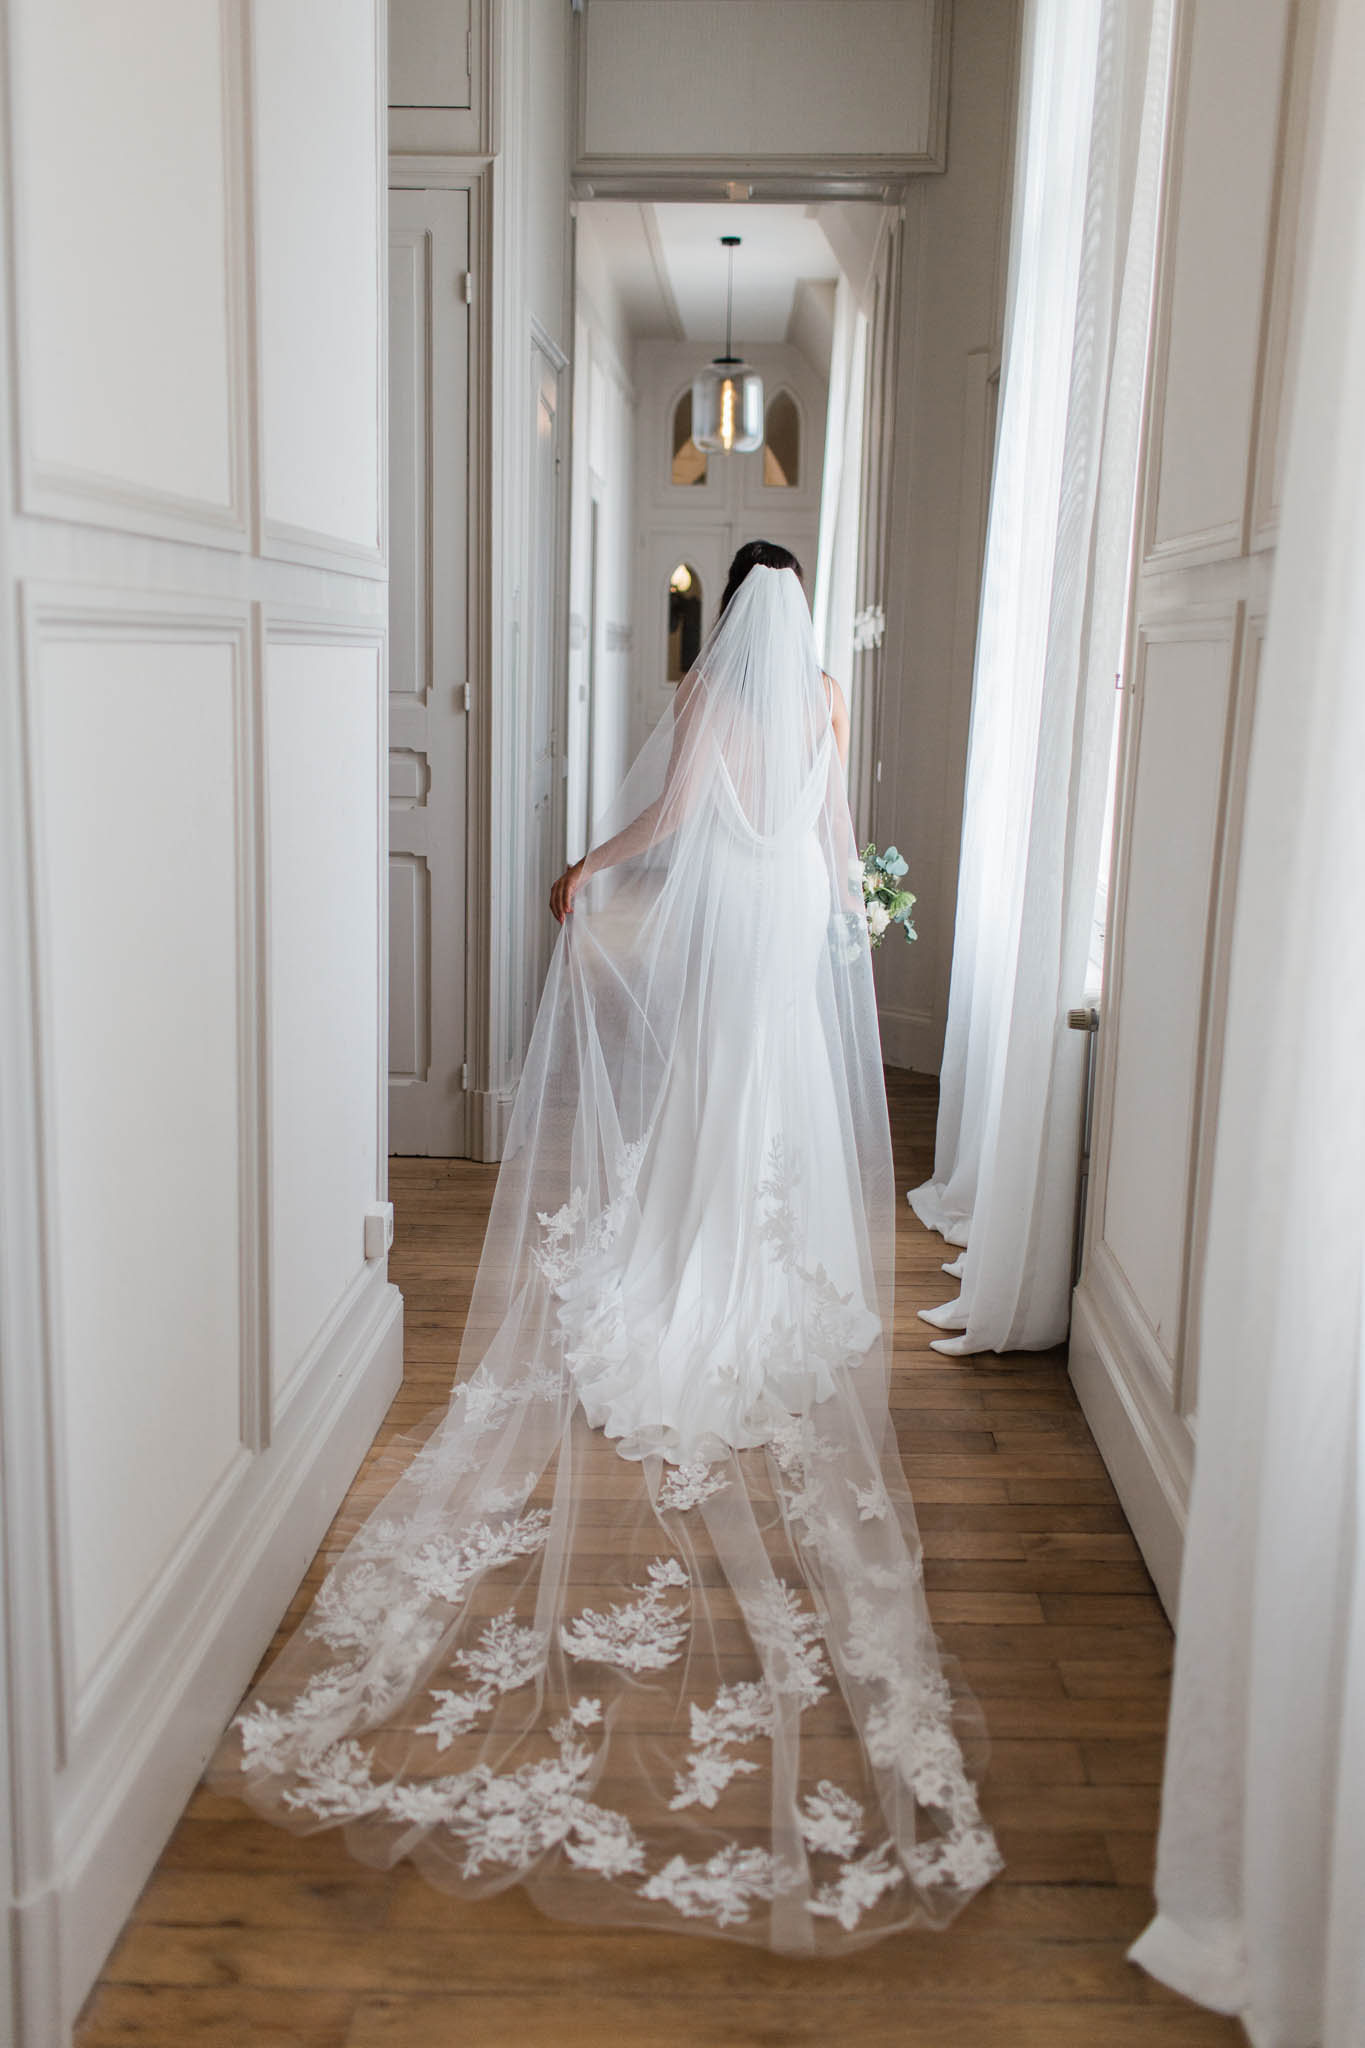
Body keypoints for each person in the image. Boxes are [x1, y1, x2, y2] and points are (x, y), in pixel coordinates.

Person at [210, 541, 1002, 1954]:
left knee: (703, 1090)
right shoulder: (822, 692)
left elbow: (676, 817)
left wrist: (591, 862)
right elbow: (824, 838)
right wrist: (849, 915)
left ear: (731, 606)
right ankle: (763, 1278)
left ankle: (687, 1265)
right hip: (783, 926)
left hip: (723, 922)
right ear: (802, 606)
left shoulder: (714, 692)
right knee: (771, 1105)